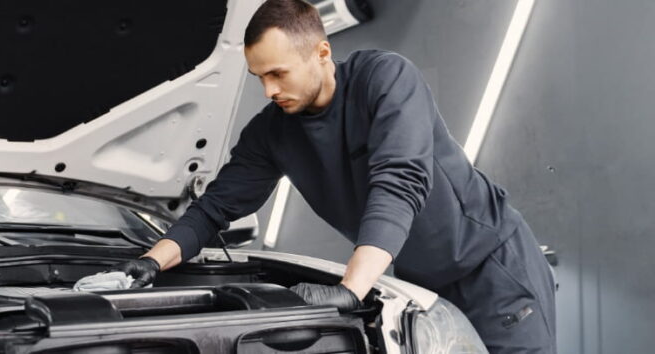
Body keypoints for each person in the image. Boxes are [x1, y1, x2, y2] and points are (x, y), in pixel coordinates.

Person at [107, 0, 557, 352]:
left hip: (491, 269)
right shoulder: (271, 133)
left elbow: (400, 180)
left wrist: (350, 290)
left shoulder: (384, 80)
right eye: (259, 77)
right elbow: (215, 209)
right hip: (421, 282)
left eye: (278, 73)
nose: (269, 90)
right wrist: (151, 261)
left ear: (322, 52)